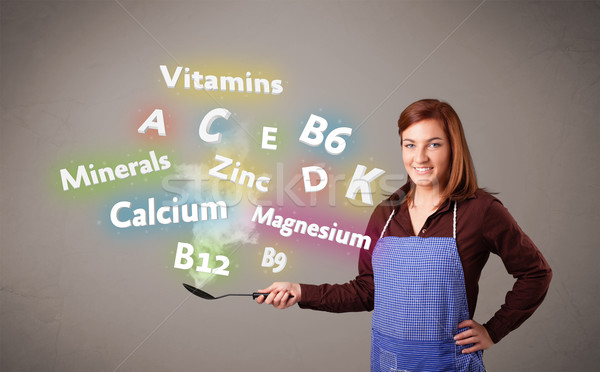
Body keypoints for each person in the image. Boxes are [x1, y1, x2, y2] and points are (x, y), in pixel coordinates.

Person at [256, 99, 552, 371]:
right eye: (409, 145)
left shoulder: (481, 211)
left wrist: (494, 330)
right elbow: (367, 290)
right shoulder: (386, 214)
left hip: (448, 364)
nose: (419, 157)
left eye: (433, 144)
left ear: (453, 148)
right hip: (389, 363)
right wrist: (300, 291)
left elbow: (536, 273)